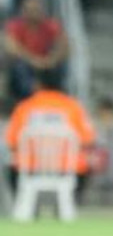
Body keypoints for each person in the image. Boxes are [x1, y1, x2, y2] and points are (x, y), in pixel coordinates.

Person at [4, 69, 96, 203]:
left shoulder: (25, 107)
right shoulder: (73, 108)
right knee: (86, 163)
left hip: (29, 169)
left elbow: (11, 141)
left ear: (38, 85)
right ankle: (69, 204)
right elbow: (88, 140)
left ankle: (26, 205)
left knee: (12, 165)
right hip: (68, 170)